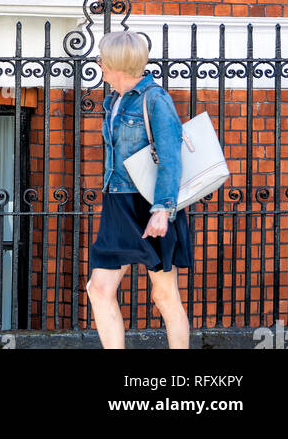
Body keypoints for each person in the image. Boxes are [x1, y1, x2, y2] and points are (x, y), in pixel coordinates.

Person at [86, 29, 193, 349]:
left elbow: (171, 158)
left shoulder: (155, 99)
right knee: (98, 288)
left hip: (149, 204)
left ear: (115, 63)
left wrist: (162, 210)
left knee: (163, 294)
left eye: (103, 59)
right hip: (117, 204)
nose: (99, 64)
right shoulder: (114, 101)